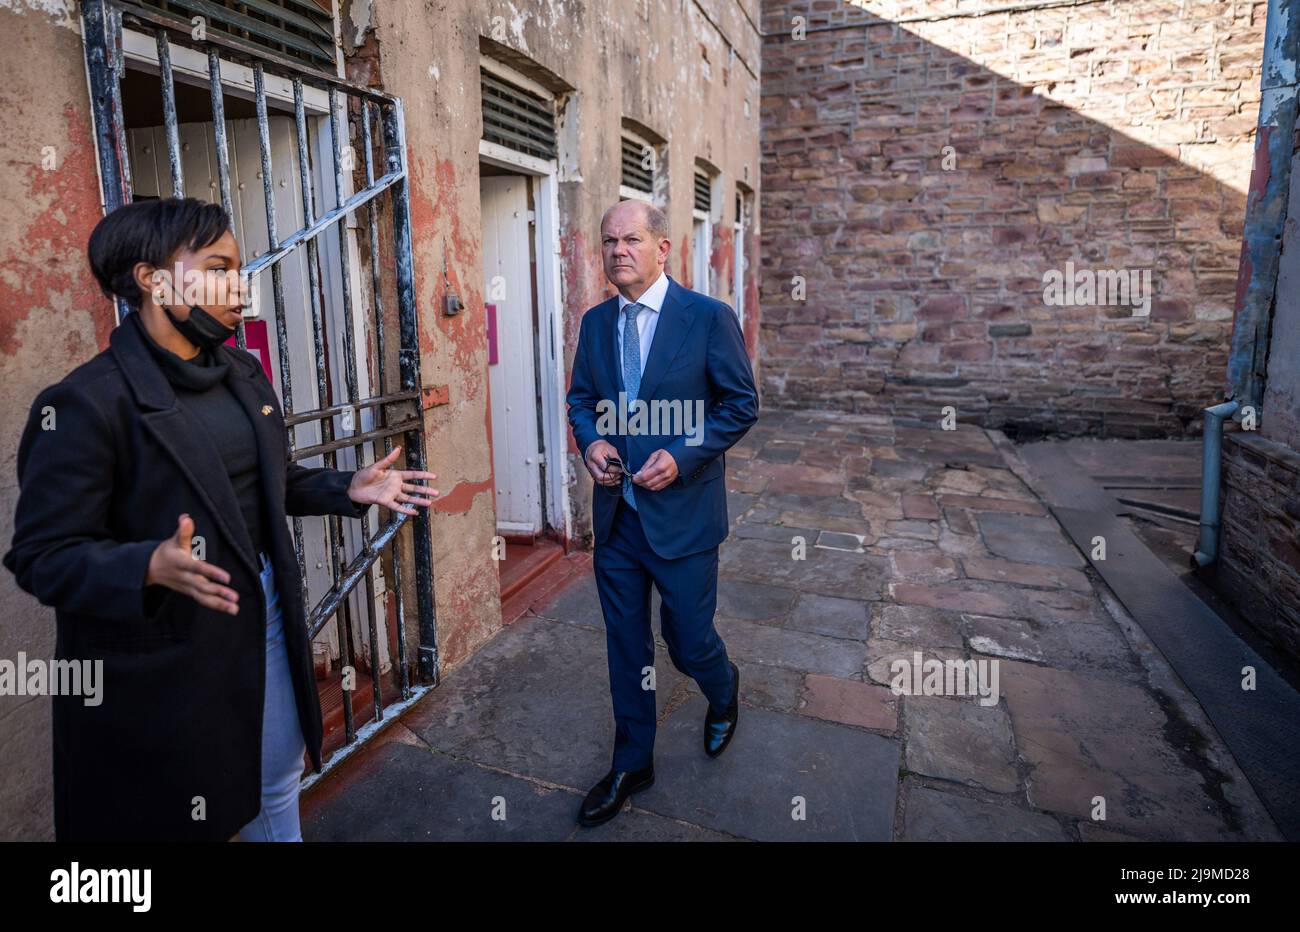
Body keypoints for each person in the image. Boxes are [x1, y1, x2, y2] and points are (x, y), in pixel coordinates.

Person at [3, 197, 439, 841]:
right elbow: (41, 557)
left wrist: (349, 486)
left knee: (275, 781)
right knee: (172, 817)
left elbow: (271, 483)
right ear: (151, 280)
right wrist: (145, 565)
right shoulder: (84, 404)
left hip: (263, 615)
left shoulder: (240, 371)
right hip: (166, 649)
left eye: (239, 267)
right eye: (217, 267)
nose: (240, 284)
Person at [566, 200, 759, 827]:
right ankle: (633, 762)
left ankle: (722, 688)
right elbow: (582, 401)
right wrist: (591, 440)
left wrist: (683, 456)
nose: (618, 251)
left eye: (631, 240)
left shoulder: (707, 318)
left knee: (687, 641)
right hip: (618, 521)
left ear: (662, 248)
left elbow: (739, 404)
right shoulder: (596, 324)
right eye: (609, 242)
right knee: (627, 646)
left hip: (684, 521)